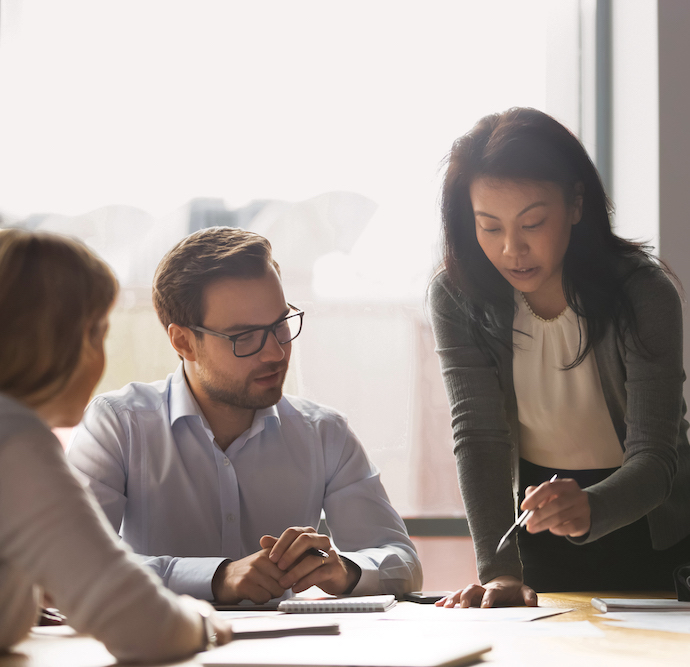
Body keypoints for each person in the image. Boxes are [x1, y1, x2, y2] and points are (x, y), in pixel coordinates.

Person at [68, 226, 422, 604]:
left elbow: (402, 562)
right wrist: (216, 577)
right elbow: (72, 565)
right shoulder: (120, 425)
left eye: (279, 324)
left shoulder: (324, 434)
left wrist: (345, 569)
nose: (275, 352)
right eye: (245, 337)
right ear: (183, 341)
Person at [429, 107, 690, 608]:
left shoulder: (642, 292)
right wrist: (499, 571)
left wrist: (591, 506)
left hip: (655, 531)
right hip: (540, 526)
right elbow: (478, 436)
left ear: (575, 203)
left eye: (532, 222)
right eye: (489, 227)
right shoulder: (458, 297)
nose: (512, 249)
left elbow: (657, 457)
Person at [0, 229, 232, 662]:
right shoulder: (14, 444)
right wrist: (204, 621)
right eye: (100, 332)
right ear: (72, 339)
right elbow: (146, 627)